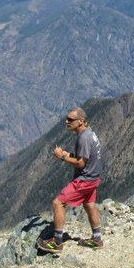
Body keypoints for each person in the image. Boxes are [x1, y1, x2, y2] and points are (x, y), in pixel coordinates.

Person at [36, 107, 104, 253]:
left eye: (70, 120)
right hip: (93, 178)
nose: (66, 122)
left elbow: (81, 163)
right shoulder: (90, 134)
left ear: (81, 121)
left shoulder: (84, 138)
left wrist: (62, 156)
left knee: (58, 203)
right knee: (89, 205)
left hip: (84, 179)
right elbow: (85, 156)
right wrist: (71, 154)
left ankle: (57, 242)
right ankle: (97, 239)